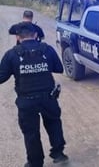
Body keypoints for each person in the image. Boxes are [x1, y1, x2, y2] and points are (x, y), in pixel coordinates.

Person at [0, 22, 68, 167]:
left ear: (18, 37)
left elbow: (1, 77)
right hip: (48, 98)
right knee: (54, 123)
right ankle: (59, 154)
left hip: (26, 101)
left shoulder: (11, 54)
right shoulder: (47, 49)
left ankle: (35, 163)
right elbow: (59, 68)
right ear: (36, 35)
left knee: (31, 133)